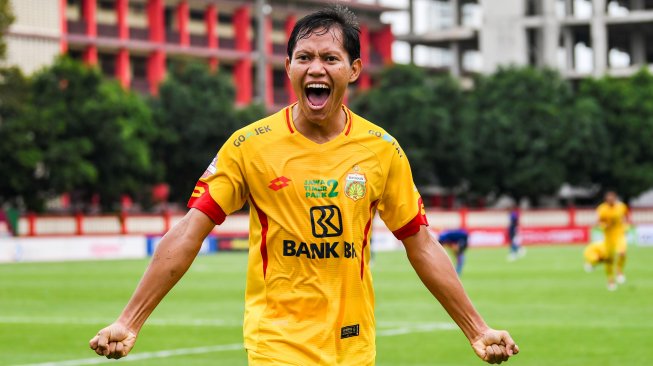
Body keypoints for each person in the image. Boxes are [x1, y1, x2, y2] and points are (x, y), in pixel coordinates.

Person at [89, 6, 518, 365]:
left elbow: (420, 243)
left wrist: (476, 329)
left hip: (353, 346)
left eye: (330, 58)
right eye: (304, 57)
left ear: (353, 70)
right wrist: (130, 319)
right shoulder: (248, 146)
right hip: (276, 344)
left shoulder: (382, 150)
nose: (316, 68)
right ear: (288, 67)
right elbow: (189, 230)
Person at [596, 191, 629, 291]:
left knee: (622, 253)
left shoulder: (622, 207)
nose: (610, 201)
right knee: (609, 259)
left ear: (615, 198)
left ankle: (619, 271)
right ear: (606, 200)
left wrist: (625, 226)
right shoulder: (602, 209)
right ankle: (610, 279)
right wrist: (605, 226)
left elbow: (626, 217)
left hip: (619, 234)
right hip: (608, 237)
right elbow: (599, 222)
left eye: (612, 199)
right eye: (608, 199)